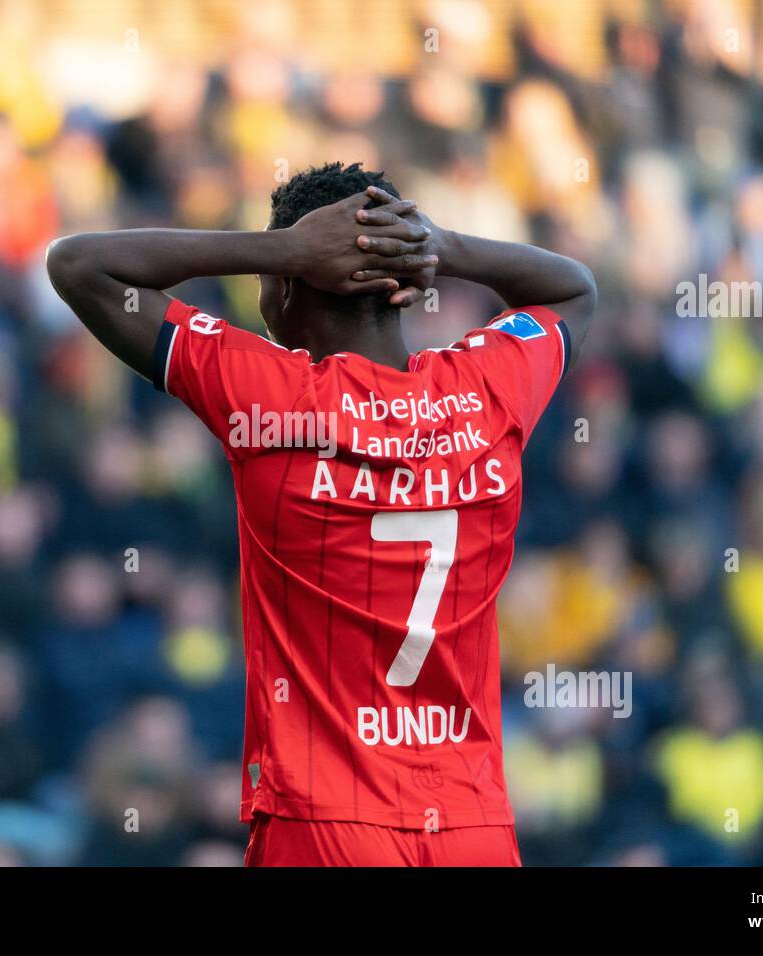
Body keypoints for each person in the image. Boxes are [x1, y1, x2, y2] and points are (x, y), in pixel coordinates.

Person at [46, 162, 596, 866]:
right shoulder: (489, 388)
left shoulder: (264, 394)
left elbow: (81, 266)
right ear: (403, 284)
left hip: (323, 823)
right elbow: (575, 289)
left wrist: (276, 249)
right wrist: (440, 246)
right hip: (473, 828)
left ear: (284, 288)